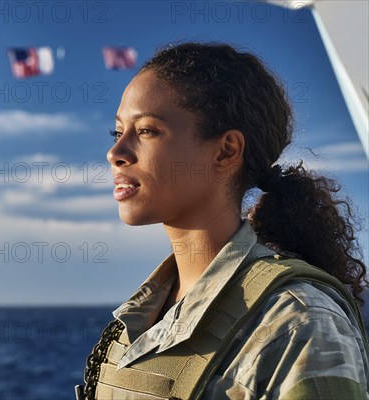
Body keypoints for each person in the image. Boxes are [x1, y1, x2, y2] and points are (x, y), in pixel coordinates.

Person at [77, 42, 369, 399]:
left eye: (148, 130)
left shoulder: (297, 322)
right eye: (117, 132)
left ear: (226, 150)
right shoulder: (137, 320)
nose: (116, 153)